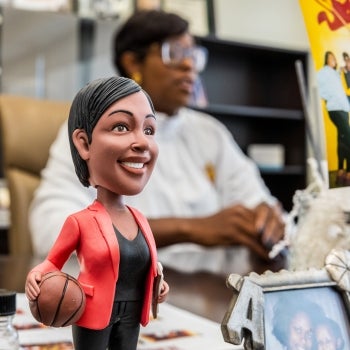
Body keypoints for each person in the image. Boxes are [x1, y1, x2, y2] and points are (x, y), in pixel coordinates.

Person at [29, 10, 285, 275]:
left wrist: (267, 223)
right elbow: (50, 231)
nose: (189, 66)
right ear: (133, 63)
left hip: (213, 295)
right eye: (173, 53)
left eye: (194, 56)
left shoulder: (210, 134)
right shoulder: (92, 132)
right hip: (128, 294)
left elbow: (257, 203)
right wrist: (189, 229)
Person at [25, 76, 169, 350]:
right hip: (92, 313)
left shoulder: (139, 219)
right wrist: (36, 275)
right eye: (121, 127)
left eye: (149, 130)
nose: (142, 142)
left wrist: (157, 283)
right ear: (84, 143)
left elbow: (146, 263)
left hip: (133, 314)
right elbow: (51, 262)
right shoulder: (79, 221)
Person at [317, 50, 350, 186]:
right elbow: (321, 88)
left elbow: (345, 87)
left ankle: (341, 170)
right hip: (335, 108)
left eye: (334, 58)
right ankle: (348, 171)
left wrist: (346, 70)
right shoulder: (323, 72)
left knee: (342, 137)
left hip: (343, 108)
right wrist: (328, 98)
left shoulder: (337, 74)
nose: (333, 60)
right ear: (326, 60)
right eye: (330, 58)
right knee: (348, 136)